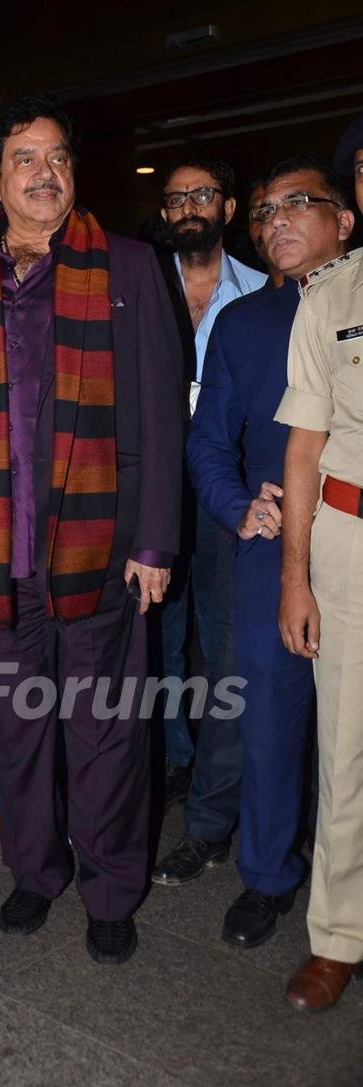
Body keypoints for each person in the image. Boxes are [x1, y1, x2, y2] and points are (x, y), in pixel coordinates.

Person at [0, 94, 183, 965]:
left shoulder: (126, 266)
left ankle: (112, 887)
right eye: (25, 159)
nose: (45, 173)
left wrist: (155, 541)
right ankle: (34, 872)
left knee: (108, 726)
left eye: (57, 158)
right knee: (19, 725)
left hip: (102, 549)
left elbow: (159, 413)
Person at [185, 154, 352, 948]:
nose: (275, 219)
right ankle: (268, 876)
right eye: (262, 210)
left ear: (343, 219)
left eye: (297, 203)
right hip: (270, 541)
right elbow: (207, 440)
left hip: (351, 532)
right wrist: (234, 506)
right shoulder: (242, 324)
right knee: (271, 721)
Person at [275, 113, 363, 1011]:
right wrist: (294, 575)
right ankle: (337, 937)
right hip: (350, 541)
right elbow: (303, 450)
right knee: (345, 751)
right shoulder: (330, 299)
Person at [156, 155, 267, 812]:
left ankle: (221, 781)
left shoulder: (259, 289)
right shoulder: (143, 287)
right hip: (158, 490)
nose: (187, 207)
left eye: (201, 194)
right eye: (175, 199)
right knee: (159, 632)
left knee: (223, 631)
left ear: (227, 207)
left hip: (229, 486)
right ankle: (173, 752)